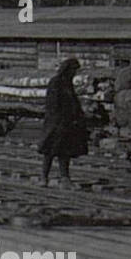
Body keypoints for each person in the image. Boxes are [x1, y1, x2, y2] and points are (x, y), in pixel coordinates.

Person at [39, 58, 88, 186]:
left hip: (67, 122)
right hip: (55, 122)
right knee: (49, 151)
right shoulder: (56, 82)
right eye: (73, 70)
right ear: (67, 69)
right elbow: (53, 104)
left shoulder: (67, 83)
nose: (74, 73)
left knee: (65, 151)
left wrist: (79, 115)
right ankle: (44, 177)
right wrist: (61, 118)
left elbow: (73, 101)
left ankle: (64, 178)